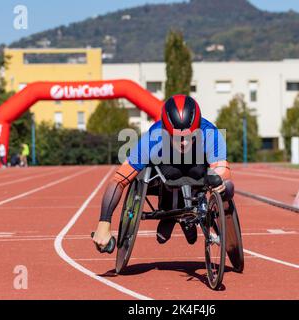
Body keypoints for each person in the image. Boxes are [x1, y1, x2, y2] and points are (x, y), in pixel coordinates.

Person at [92, 95, 233, 252]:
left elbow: (222, 168)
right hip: (166, 176)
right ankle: (170, 214)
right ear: (165, 131)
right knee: (168, 171)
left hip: (198, 173)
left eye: (189, 136)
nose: (184, 142)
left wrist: (219, 180)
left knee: (227, 187)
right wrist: (104, 224)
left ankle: (188, 214)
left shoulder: (210, 133)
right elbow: (119, 180)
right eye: (177, 137)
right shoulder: (153, 137)